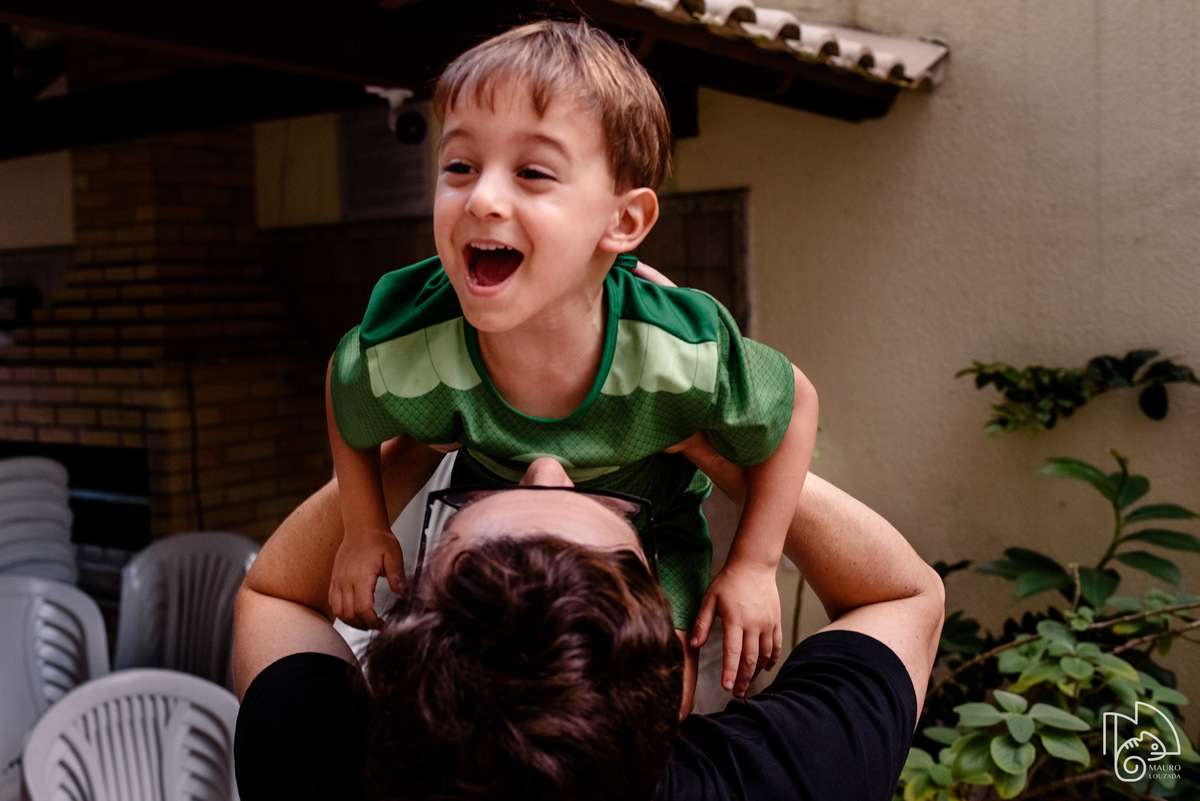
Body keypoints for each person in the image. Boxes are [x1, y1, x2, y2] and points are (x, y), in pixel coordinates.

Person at [324, 19, 820, 700]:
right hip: (492, 544)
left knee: (655, 701)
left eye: (532, 171)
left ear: (623, 222)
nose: (483, 198)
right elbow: (347, 389)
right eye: (459, 166)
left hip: (649, 529)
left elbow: (796, 407)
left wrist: (757, 563)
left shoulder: (678, 350)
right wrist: (362, 525)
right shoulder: (416, 337)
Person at [232, 434, 945, 801]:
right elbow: (902, 595)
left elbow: (276, 596)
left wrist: (423, 433)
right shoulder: (773, 779)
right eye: (609, 512)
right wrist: (708, 432)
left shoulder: (333, 775)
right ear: (675, 681)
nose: (547, 465)